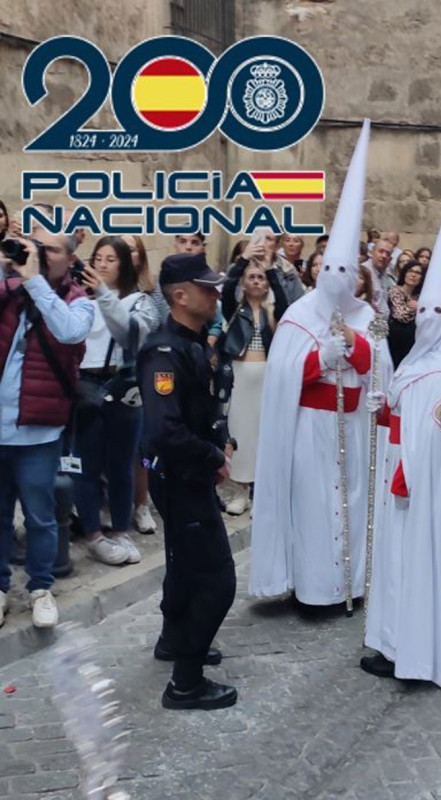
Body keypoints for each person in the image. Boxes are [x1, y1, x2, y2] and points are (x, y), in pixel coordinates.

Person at [362, 143, 441, 689]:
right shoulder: (424, 360)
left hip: (422, 486)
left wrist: (404, 467)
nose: (430, 319)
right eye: (426, 310)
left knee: (419, 564)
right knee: (396, 566)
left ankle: (417, 650)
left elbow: (438, 435)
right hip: (405, 477)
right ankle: (394, 638)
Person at [249, 120, 392, 607]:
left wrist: (356, 348)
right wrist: (317, 357)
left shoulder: (369, 315)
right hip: (310, 425)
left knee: (351, 503)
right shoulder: (297, 313)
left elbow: (383, 367)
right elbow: (282, 374)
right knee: (314, 506)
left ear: (357, 276)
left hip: (352, 423)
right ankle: (313, 589)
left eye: (344, 271)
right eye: (327, 268)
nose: (335, 279)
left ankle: (352, 585)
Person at [137, 252, 237, 711]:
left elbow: (202, 410)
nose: (216, 294)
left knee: (183, 565)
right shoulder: (164, 351)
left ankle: (174, 640)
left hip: (191, 472)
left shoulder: (193, 343)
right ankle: (186, 681)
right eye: (207, 288)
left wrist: (223, 440)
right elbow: (165, 430)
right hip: (180, 477)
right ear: (180, 296)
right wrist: (212, 454)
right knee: (217, 580)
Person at [0, 232, 94, 629]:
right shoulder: (8, 289)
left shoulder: (79, 301)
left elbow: (70, 332)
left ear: (69, 259)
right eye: (32, 246)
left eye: (49, 249)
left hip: (38, 432)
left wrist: (36, 283)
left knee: (40, 516)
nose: (36, 254)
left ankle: (41, 587)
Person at [73, 236, 158, 566]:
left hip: (124, 384)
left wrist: (105, 296)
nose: (102, 264)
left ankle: (122, 530)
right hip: (85, 382)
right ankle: (93, 534)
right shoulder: (78, 299)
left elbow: (129, 333)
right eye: (98, 258)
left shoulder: (140, 300)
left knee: (122, 463)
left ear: (125, 263)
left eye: (111, 259)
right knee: (86, 465)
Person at [219, 260, 289, 515]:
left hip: (267, 375)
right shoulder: (235, 310)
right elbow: (226, 289)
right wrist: (241, 263)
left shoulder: (273, 312)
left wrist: (271, 269)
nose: (257, 281)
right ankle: (240, 490)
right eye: (252, 277)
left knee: (264, 432)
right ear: (244, 283)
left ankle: (264, 490)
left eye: (261, 277)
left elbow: (284, 303)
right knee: (241, 432)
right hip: (241, 373)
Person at [121, 234, 159, 536]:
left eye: (131, 249)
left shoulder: (149, 290)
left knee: (140, 447)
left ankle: (141, 503)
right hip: (108, 374)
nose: (125, 254)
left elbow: (158, 327)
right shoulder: (99, 289)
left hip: (141, 372)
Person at [387, 259, 423, 368]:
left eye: (417, 273)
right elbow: (401, 315)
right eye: (410, 271)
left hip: (411, 342)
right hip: (395, 340)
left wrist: (418, 307)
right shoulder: (394, 290)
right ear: (405, 273)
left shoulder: (419, 297)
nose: (413, 275)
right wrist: (416, 309)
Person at [365, 237, 395, 317]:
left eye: (387, 254)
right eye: (381, 251)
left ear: (390, 259)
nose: (384, 256)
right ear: (371, 253)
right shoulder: (363, 273)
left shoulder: (385, 275)